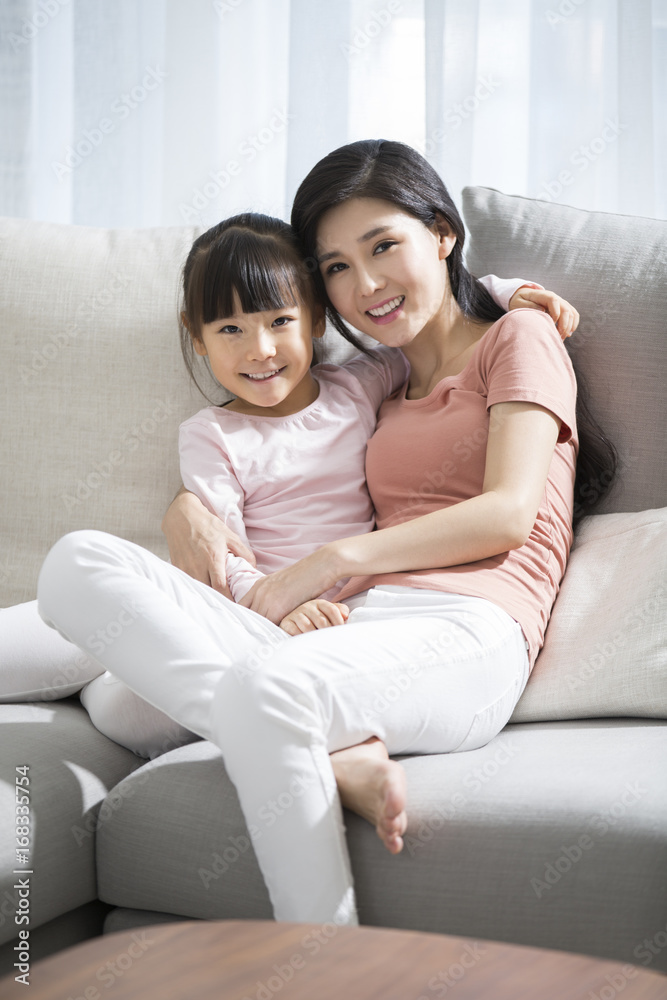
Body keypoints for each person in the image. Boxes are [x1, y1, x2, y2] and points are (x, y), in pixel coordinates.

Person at [36, 138, 612, 928]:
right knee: (81, 574)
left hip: (468, 628)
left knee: (250, 687)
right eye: (337, 266)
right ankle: (328, 749)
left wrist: (329, 561)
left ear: (442, 233)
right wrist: (188, 506)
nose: (364, 284)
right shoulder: (384, 376)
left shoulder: (518, 337)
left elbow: (507, 511)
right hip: (352, 629)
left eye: (383, 247)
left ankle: (322, 954)